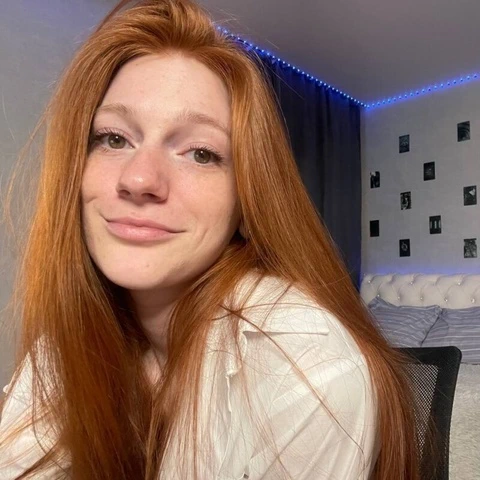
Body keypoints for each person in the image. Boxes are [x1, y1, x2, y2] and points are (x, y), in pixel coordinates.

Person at [0, 0, 420, 478]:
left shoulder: (302, 364)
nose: (139, 179)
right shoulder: (76, 333)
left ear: (248, 201)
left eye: (200, 152)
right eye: (114, 138)